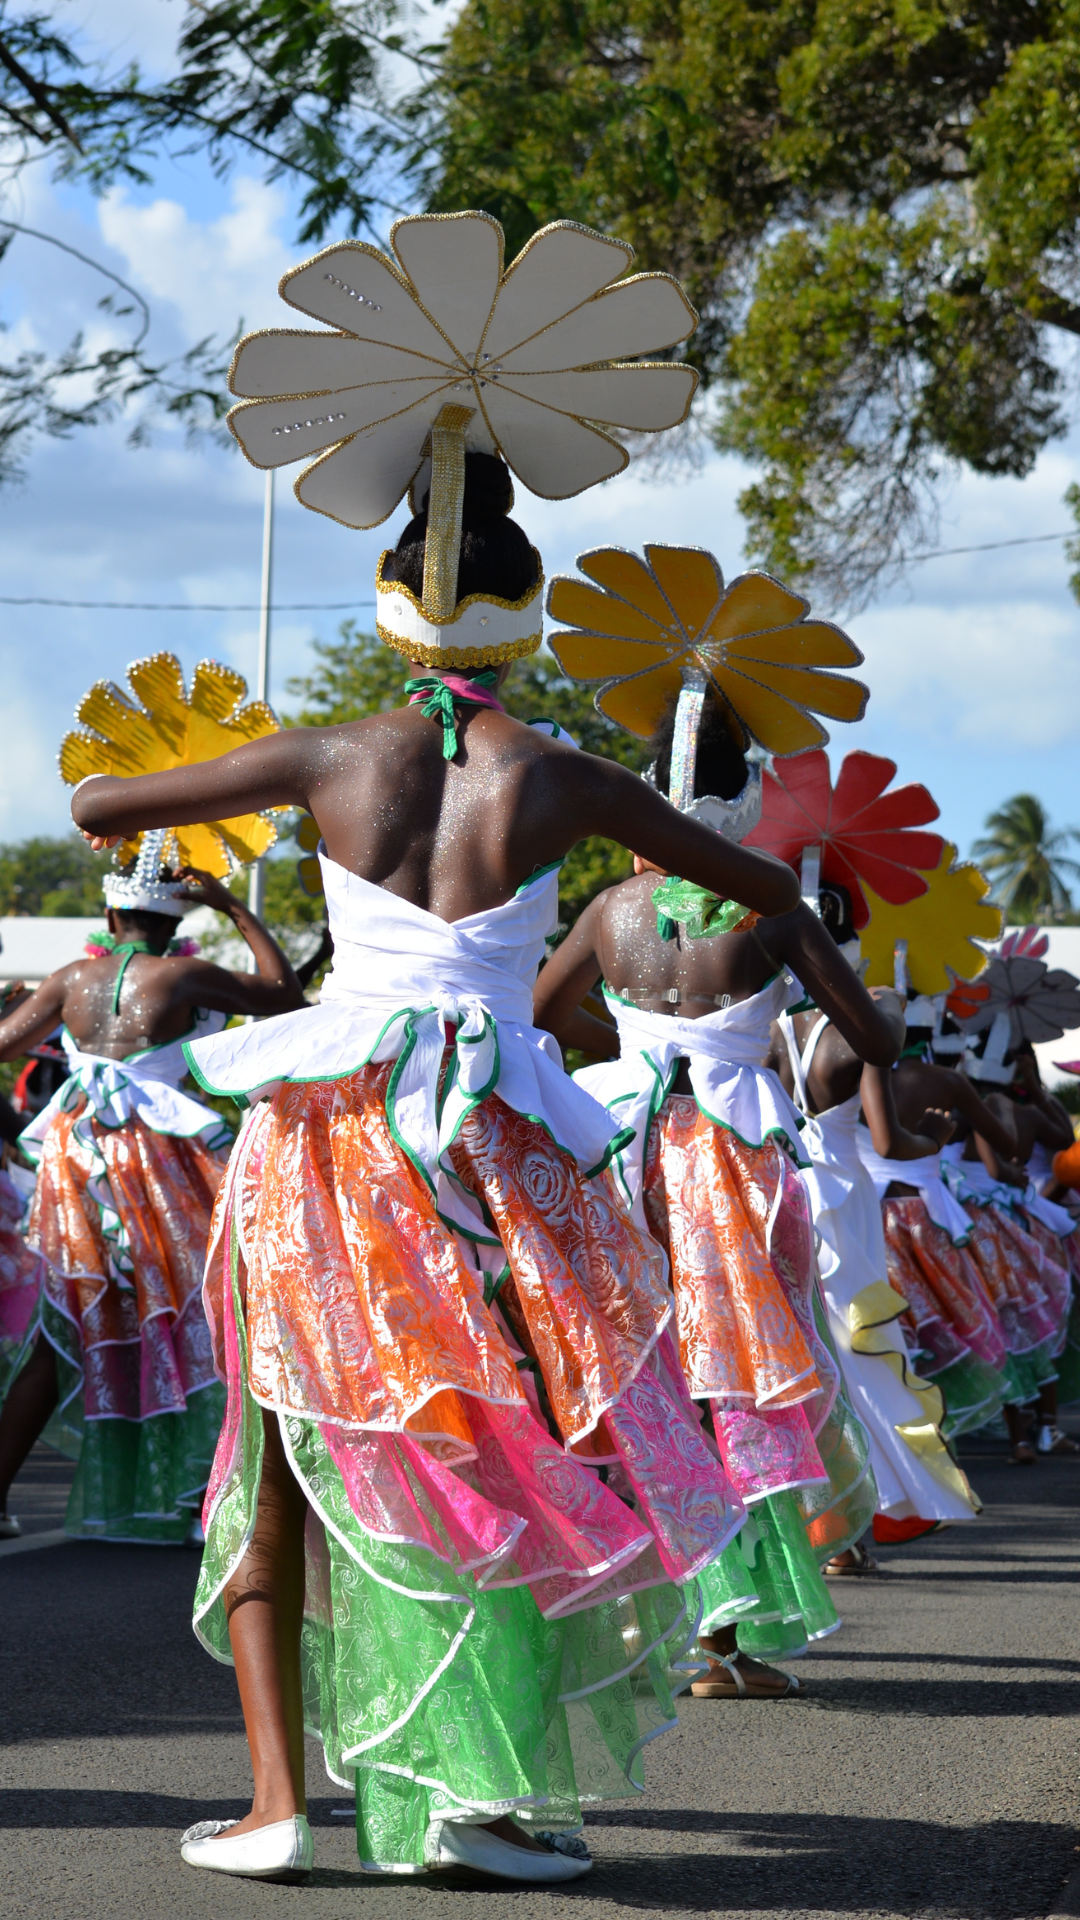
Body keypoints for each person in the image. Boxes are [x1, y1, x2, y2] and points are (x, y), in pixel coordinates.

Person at [72, 454, 801, 1883]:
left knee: (279, 1458)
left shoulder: (331, 756)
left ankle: (275, 1806)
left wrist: (190, 832)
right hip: (497, 1155)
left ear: (390, 606)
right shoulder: (566, 777)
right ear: (527, 619)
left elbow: (104, 803)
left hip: (328, 1147)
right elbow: (767, 887)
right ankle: (477, 1797)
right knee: (504, 1452)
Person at [533, 686, 895, 1695]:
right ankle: (719, 1641)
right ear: (744, 805)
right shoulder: (770, 903)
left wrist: (636, 1047)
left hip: (622, 1148)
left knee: (645, 1373)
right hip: (730, 1163)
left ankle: (659, 1629)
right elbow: (875, 1040)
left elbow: (541, 1013)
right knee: (730, 1382)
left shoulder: (610, 911)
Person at [0, 859, 302, 1542]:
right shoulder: (184, 975)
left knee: (65, 1323)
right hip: (162, 1162)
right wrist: (233, 906)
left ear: (111, 918)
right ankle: (199, 1499)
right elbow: (284, 993)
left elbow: (5, 1044)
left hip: (78, 1159)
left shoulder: (70, 978)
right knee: (202, 1313)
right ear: (177, 922)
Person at [769, 973, 980, 1556]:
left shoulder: (765, 1025)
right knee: (861, 1357)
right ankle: (867, 1519)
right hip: (843, 1202)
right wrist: (932, 1137)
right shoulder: (858, 1027)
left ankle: (824, 1527)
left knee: (806, 1354)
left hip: (781, 1192)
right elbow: (889, 1142)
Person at [855, 1037, 1024, 1443]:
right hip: (927, 1220)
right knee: (954, 1322)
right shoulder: (947, 1081)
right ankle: (962, 1439)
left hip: (865, 1217)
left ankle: (896, 1436)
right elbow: (1007, 1146)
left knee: (886, 1329)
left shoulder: (852, 1071)